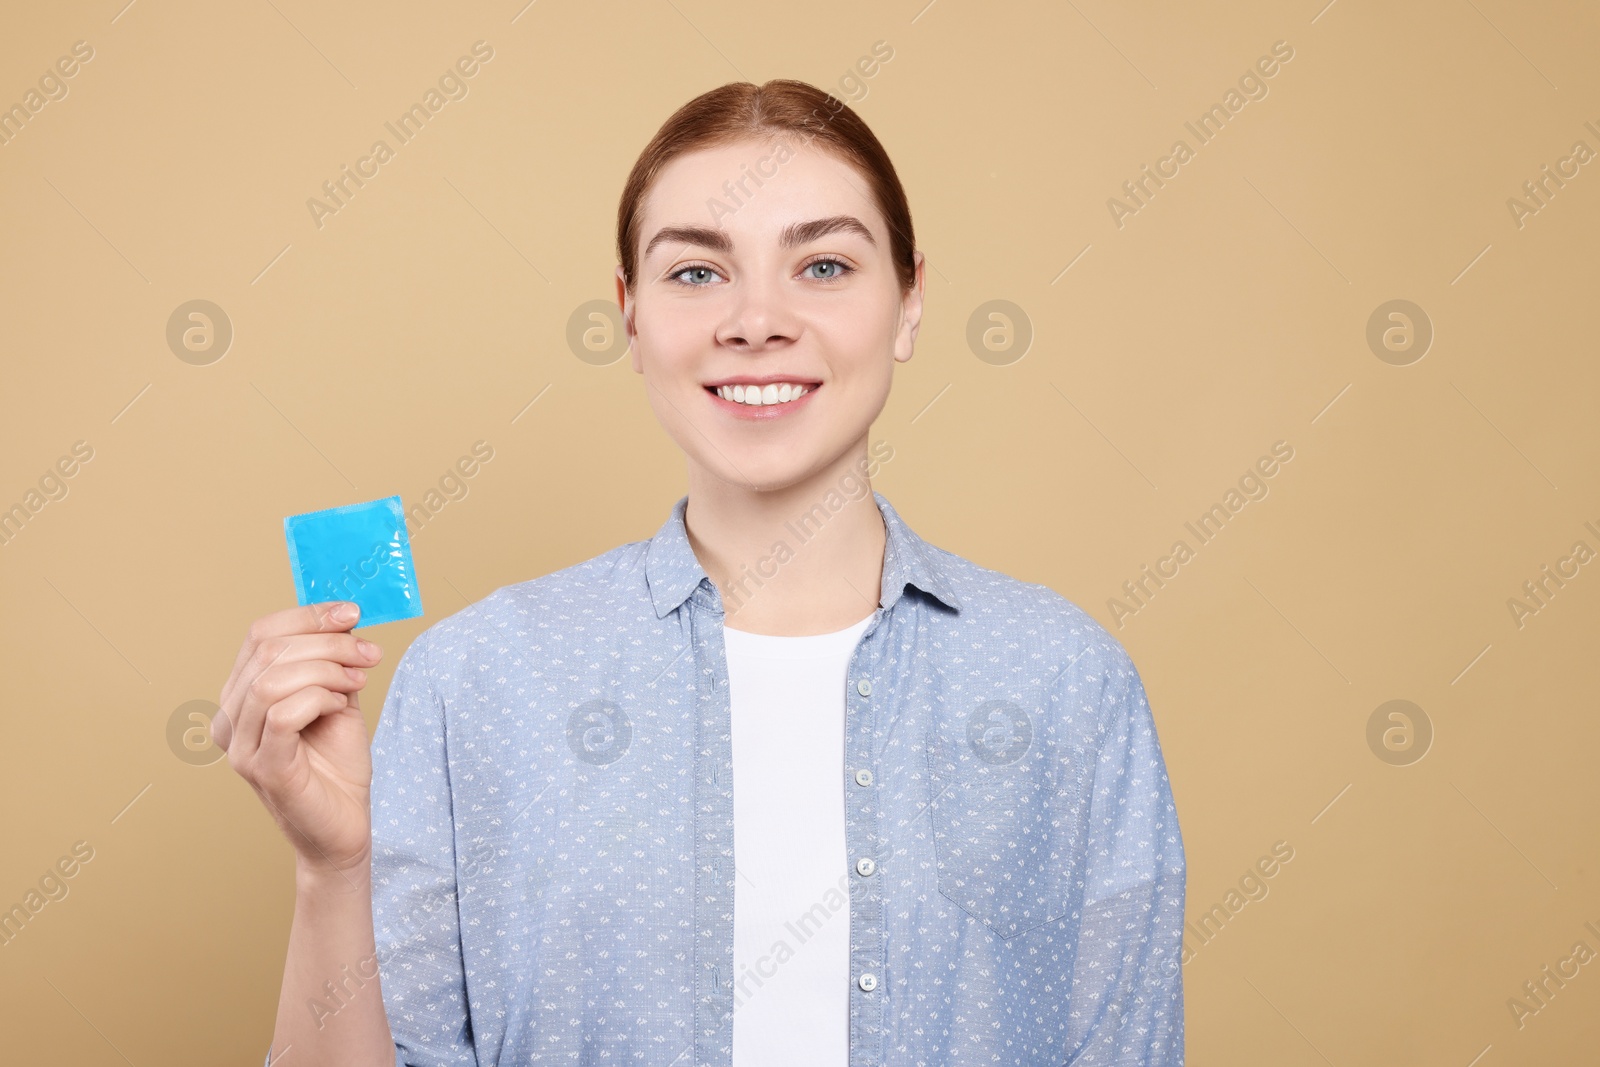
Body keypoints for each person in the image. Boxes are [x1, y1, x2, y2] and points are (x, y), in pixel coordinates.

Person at [215, 78, 1186, 1067]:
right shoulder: (473, 679)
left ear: (910, 301)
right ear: (630, 316)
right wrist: (333, 868)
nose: (756, 320)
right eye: (695, 274)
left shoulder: (1066, 678)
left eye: (822, 263)